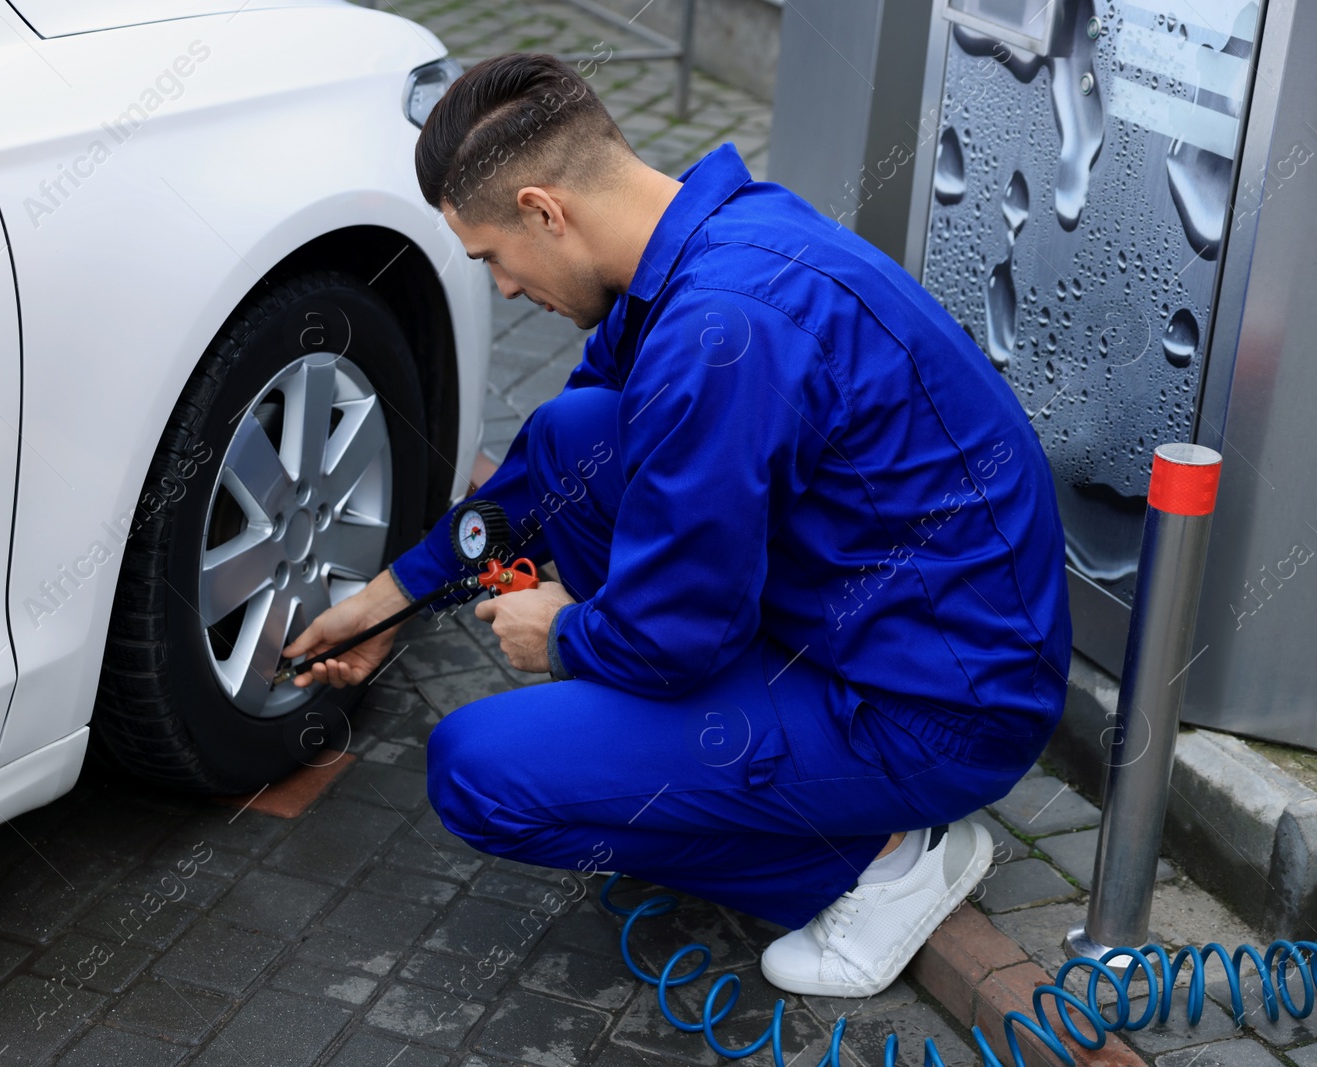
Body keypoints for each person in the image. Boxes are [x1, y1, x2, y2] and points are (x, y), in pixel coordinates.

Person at [280, 52, 1071, 997]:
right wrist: (397, 595)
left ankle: (880, 859)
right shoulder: (712, 232)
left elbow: (672, 641)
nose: (500, 289)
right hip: (888, 617)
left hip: (932, 712)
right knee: (578, 432)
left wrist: (562, 633)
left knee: (478, 772)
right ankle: (749, 762)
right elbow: (551, 473)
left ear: (543, 210)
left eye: (490, 256)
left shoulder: (717, 336)